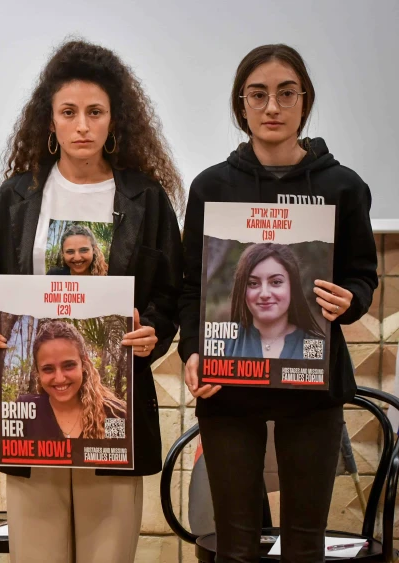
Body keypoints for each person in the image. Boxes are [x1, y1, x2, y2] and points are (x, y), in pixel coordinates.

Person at [0, 39, 183, 562]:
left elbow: (169, 294)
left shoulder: (145, 198)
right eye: (68, 113)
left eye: (95, 112)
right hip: (33, 419)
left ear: (115, 120)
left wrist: (152, 332)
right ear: (49, 122)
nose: (83, 126)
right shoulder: (17, 197)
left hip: (113, 413)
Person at [179, 44, 378, 562]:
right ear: (240, 104)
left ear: (304, 102)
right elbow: (191, 288)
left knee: (305, 545)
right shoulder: (211, 186)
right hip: (229, 389)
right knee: (236, 545)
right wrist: (193, 353)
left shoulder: (343, 186)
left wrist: (348, 301)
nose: (272, 107)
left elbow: (362, 278)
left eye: (286, 94)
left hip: (313, 391)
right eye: (259, 94)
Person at [17, 320, 126, 440]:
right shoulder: (24, 410)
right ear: (38, 371)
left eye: (68, 365)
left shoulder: (113, 414)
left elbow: (120, 455)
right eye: (48, 369)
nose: (59, 379)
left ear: (84, 363)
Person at [222, 242, 326, 359]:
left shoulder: (313, 345)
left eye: (276, 282)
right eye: (253, 283)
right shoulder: (223, 343)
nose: (265, 294)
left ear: (292, 287)